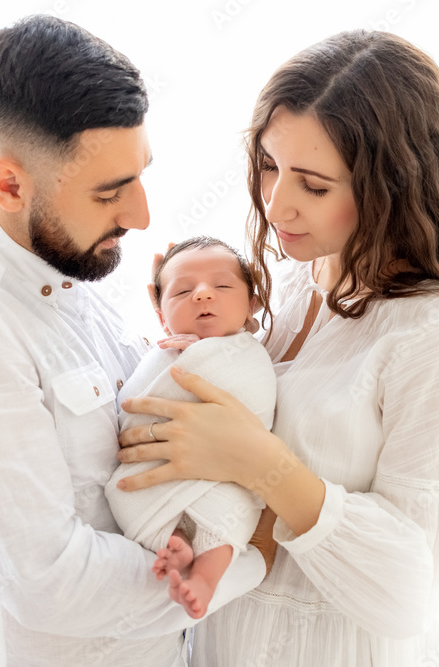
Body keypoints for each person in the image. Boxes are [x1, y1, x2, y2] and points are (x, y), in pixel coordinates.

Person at [114, 29, 439, 666]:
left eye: (314, 187)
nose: (276, 205)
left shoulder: (436, 335)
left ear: (391, 189)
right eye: (269, 166)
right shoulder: (284, 293)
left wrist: (262, 463)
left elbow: (406, 591)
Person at [0, 15, 264, 667]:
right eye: (110, 191)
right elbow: (51, 582)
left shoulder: (74, 282)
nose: (143, 216)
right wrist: (256, 547)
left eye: (141, 175)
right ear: (10, 185)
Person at [105, 237, 277, 620]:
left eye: (222, 286)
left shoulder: (248, 354)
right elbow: (132, 404)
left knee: (230, 515)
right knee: (125, 494)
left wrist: (201, 358)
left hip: (225, 478)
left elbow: (254, 404)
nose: (202, 294)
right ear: (161, 313)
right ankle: (174, 543)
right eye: (182, 291)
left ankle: (206, 577)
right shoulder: (161, 350)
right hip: (156, 468)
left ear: (252, 303)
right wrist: (179, 354)